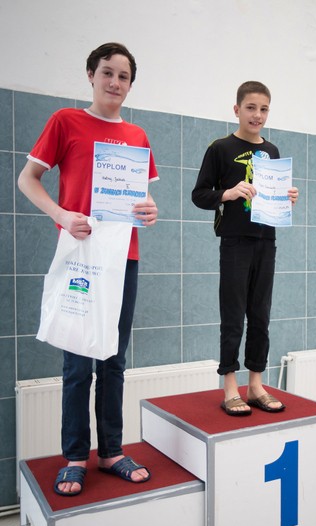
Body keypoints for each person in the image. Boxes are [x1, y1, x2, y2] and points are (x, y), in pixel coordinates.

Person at [18, 43, 159, 495]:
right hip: (81, 257)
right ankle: (75, 456)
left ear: (131, 84)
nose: (115, 82)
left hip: (124, 259)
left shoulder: (137, 135)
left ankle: (112, 451)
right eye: (107, 72)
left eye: (124, 76)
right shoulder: (66, 121)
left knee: (114, 360)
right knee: (78, 363)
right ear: (91, 75)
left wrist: (150, 209)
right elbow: (27, 179)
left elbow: (141, 197)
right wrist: (61, 215)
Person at [192, 81, 299, 416]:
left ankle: (255, 385)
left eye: (264, 109)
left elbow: (274, 196)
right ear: (237, 109)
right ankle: (230, 387)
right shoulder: (220, 148)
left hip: (266, 241)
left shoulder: (273, 151)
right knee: (233, 315)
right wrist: (228, 193)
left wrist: (287, 198)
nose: (257, 115)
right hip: (235, 242)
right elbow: (199, 195)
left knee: (260, 316)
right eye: (251, 108)